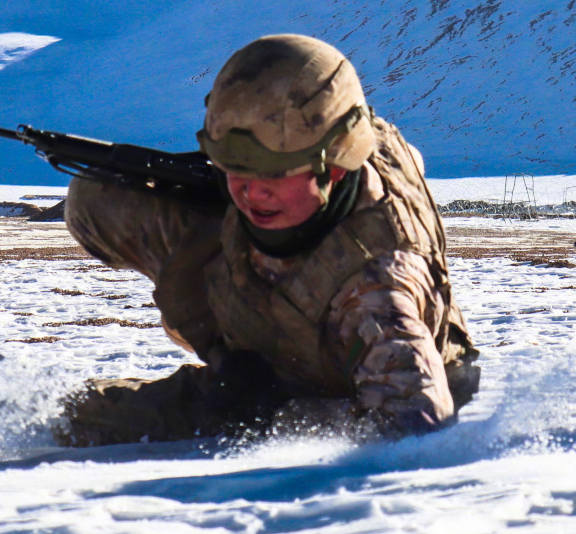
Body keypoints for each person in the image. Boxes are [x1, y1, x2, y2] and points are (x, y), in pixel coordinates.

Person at [57, 34, 477, 446]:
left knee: (76, 418)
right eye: (236, 169)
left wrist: (282, 413)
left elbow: (416, 435)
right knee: (101, 195)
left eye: (274, 174)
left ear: (334, 168)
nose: (251, 192)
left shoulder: (375, 294)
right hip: (261, 302)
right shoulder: (354, 140)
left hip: (303, 387)